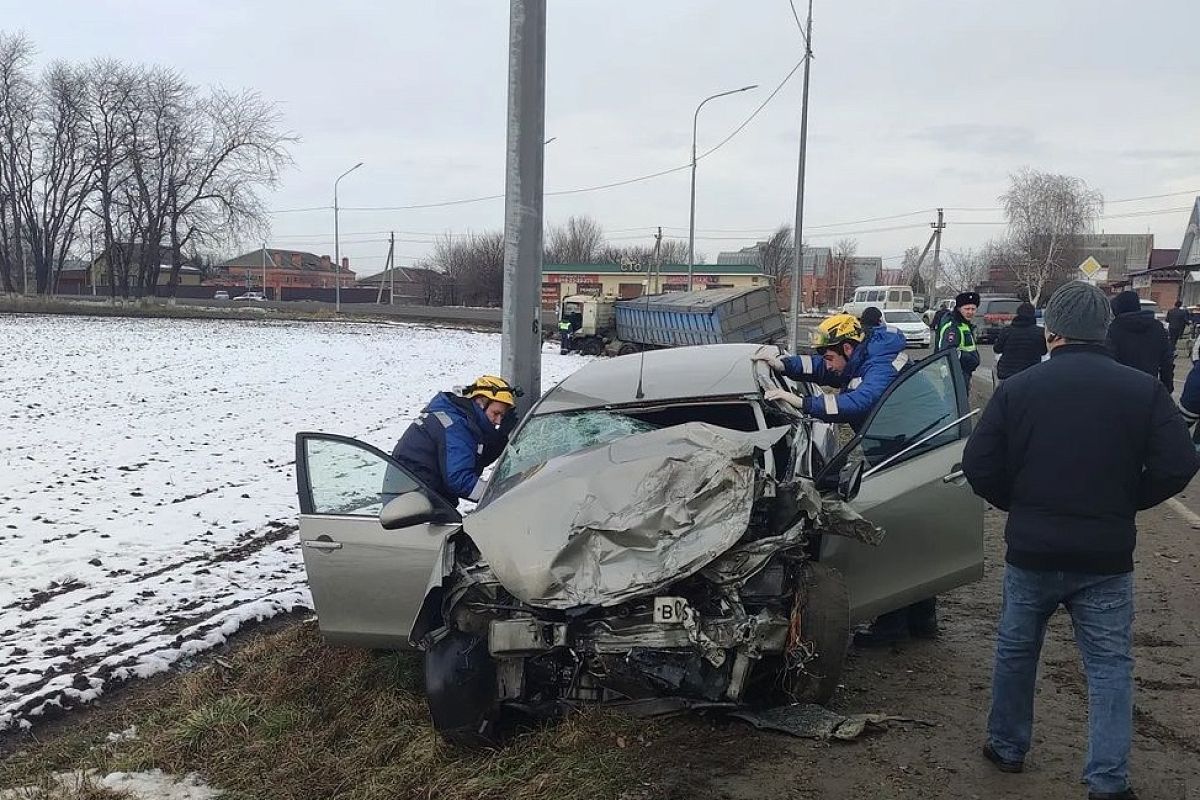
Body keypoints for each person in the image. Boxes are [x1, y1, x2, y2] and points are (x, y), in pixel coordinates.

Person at [962, 281, 1199, 800]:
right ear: (1104, 332)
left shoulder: (1018, 389)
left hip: (1032, 550)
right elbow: (1179, 464)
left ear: (1052, 333)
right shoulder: (1142, 389)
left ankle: (1006, 746)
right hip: (1106, 555)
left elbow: (978, 465)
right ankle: (1108, 782)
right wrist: (1127, 500)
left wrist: (1017, 504)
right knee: (1110, 665)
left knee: (1016, 651)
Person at [751, 312, 908, 431]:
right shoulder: (861, 356)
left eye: (829, 358)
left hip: (912, 446)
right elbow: (819, 365)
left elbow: (859, 403)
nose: (827, 366)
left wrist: (804, 403)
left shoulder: (881, 366)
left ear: (847, 348)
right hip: (894, 437)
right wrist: (784, 365)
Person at [391, 375, 520, 506]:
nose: (498, 421)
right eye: (496, 413)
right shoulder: (455, 425)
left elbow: (471, 460)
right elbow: (459, 480)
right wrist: (499, 495)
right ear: (480, 403)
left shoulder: (460, 418)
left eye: (502, 416)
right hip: (411, 508)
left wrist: (500, 438)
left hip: (416, 500)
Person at [1107, 290, 1173, 392]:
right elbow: (1167, 362)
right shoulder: (1157, 327)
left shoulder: (1114, 329)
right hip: (1150, 388)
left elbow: (1108, 360)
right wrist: (1167, 388)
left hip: (1120, 389)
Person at [992, 302, 1046, 381]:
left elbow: (997, 349)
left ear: (1018, 314)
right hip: (1030, 374)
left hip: (1007, 374)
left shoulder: (1007, 331)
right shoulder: (1040, 332)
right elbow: (1043, 351)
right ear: (1033, 314)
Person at [937, 292, 981, 384]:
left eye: (973, 309)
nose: (970, 312)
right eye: (967, 309)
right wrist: (971, 359)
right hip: (955, 374)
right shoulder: (953, 327)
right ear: (959, 309)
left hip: (963, 373)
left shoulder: (965, 325)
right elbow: (949, 352)